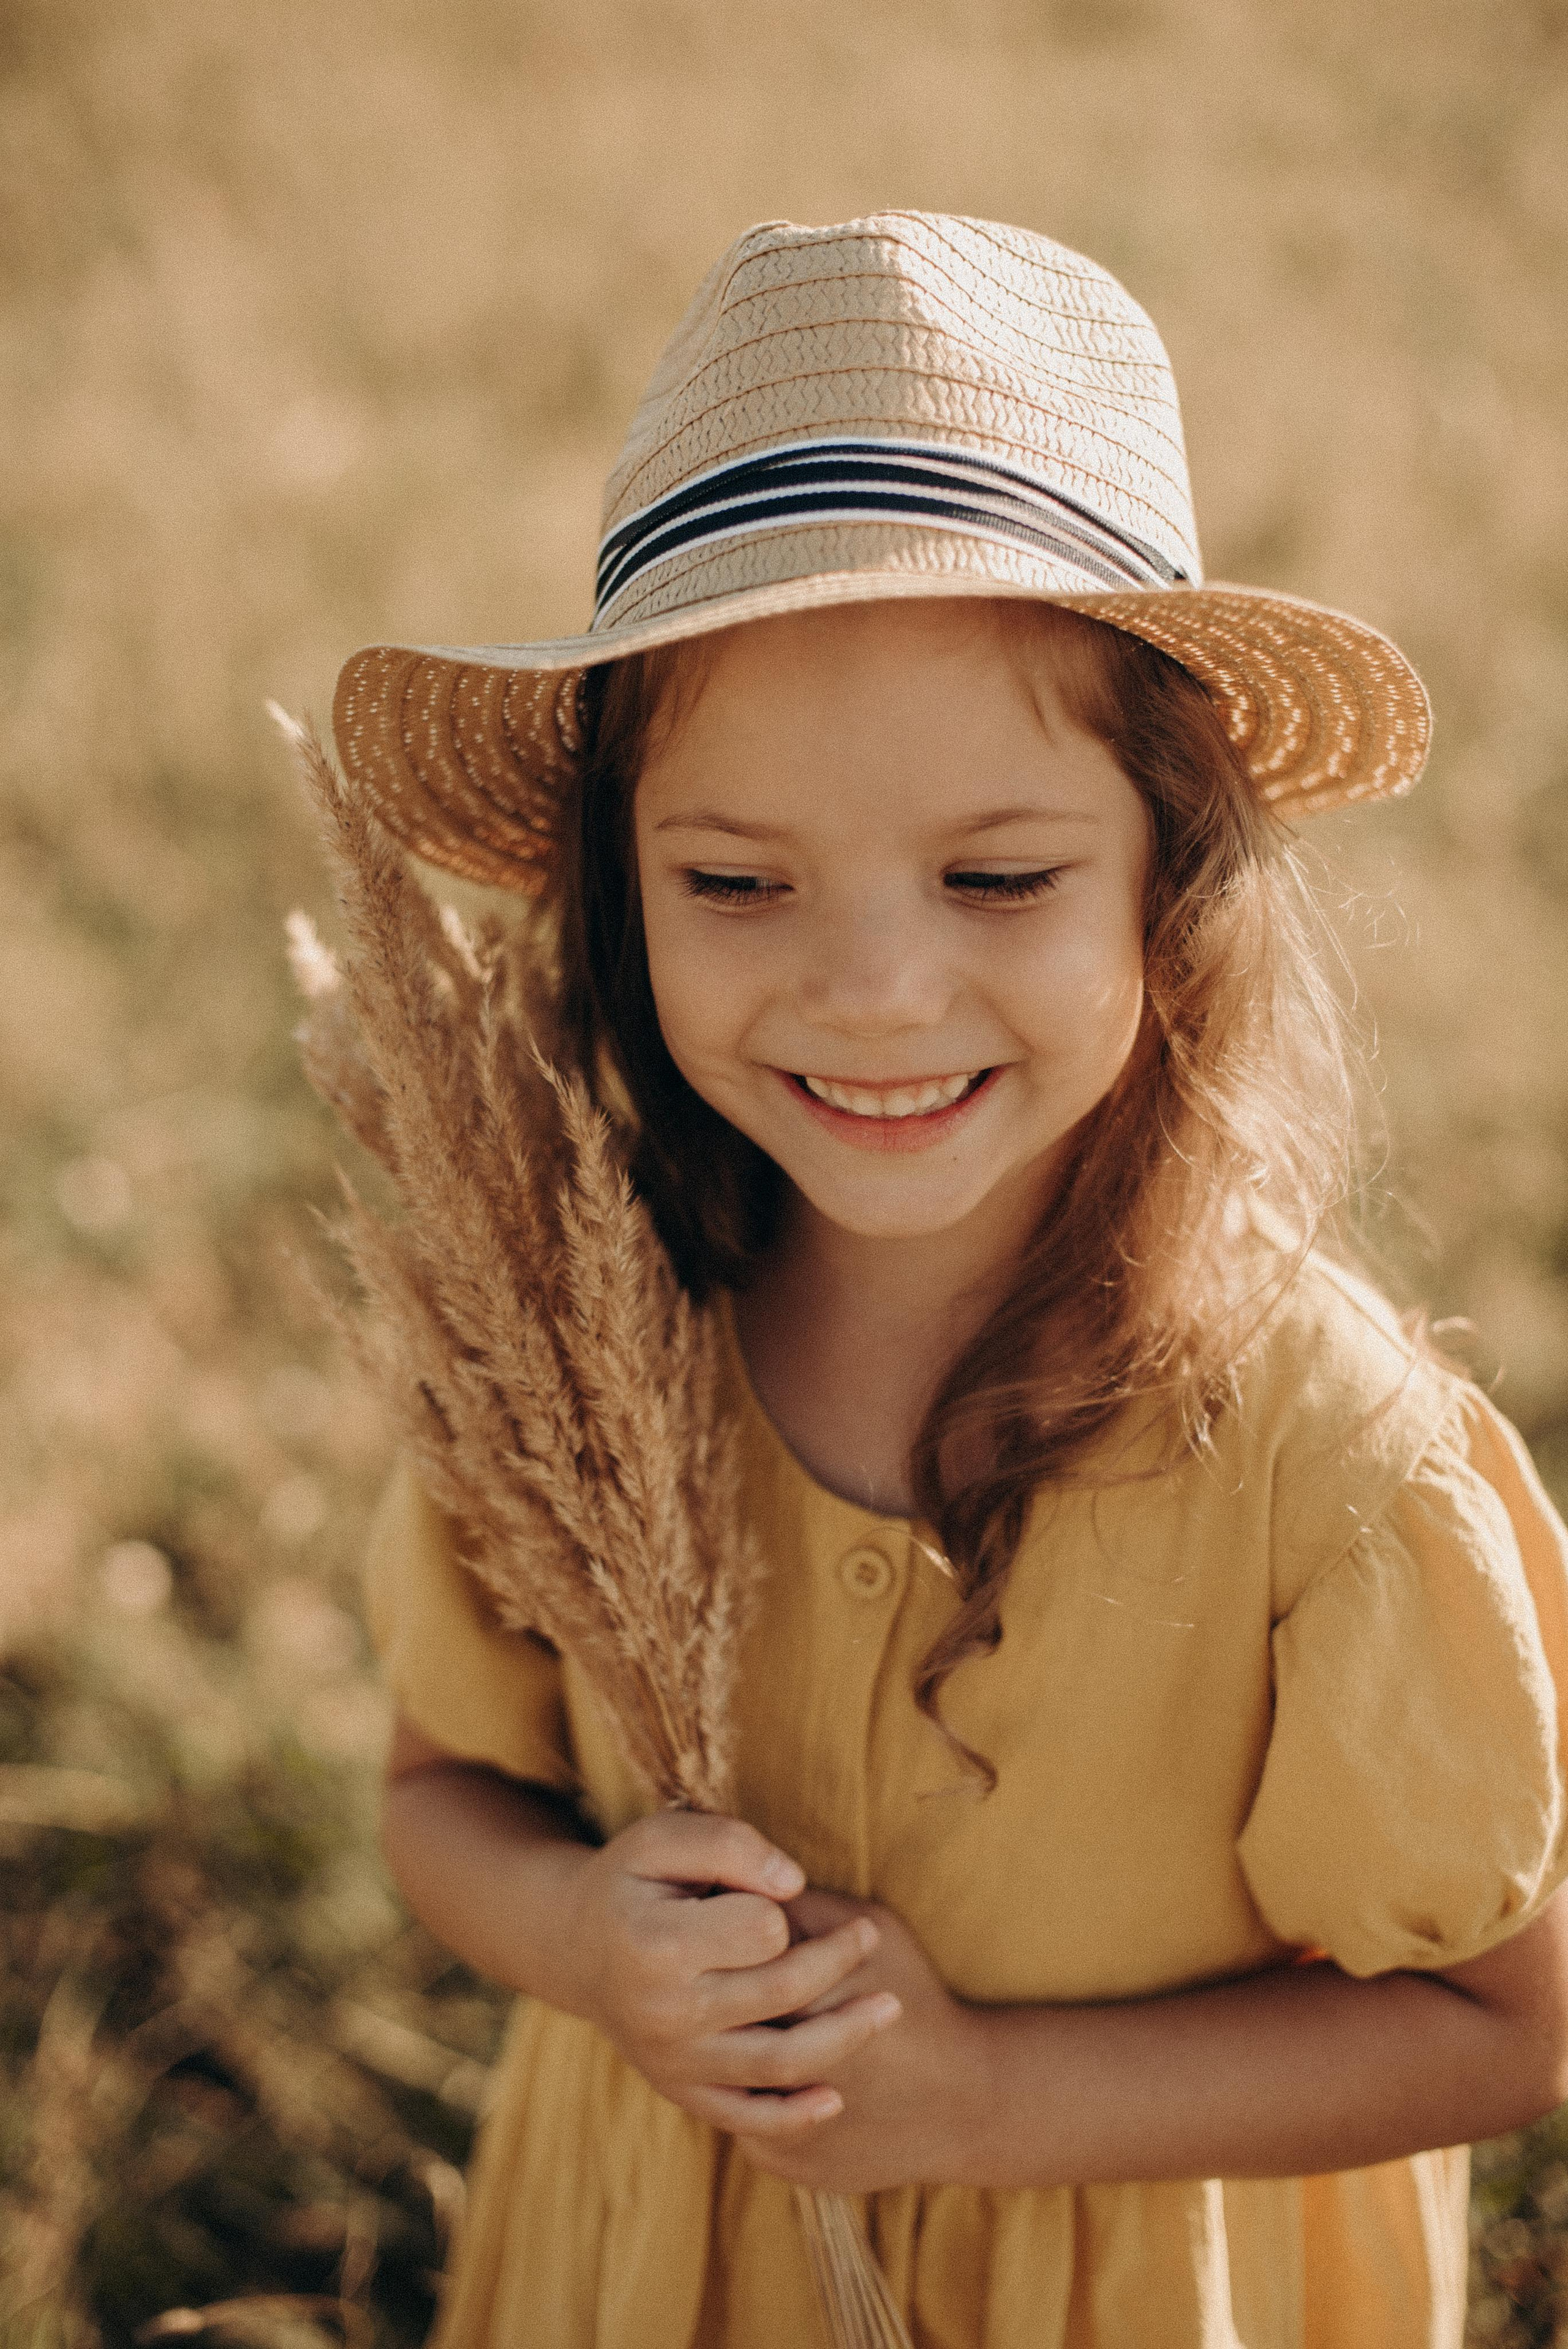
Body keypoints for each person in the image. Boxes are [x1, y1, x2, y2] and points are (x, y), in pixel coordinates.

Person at [330, 215, 1568, 2348]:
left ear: (1174, 879)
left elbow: (1506, 2026)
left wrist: (985, 2097)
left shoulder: (1324, 1460)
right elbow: (442, 1795)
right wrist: (588, 1937)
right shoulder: (575, 1337)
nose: (877, 989)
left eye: (998, 875)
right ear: (623, 891)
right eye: (738, 879)